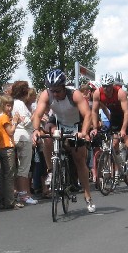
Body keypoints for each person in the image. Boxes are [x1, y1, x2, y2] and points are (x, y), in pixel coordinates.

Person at [32, 68, 96, 213]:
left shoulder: (74, 94)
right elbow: (37, 115)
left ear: (64, 87)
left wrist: (84, 132)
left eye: (58, 91)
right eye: (52, 91)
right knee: (47, 135)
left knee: (80, 161)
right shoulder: (46, 94)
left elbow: (87, 115)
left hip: (75, 124)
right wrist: (36, 130)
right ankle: (51, 171)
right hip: (58, 122)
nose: (55, 94)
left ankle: (87, 195)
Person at [92, 74, 128, 169]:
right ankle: (117, 168)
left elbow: (127, 112)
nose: (106, 89)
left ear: (112, 85)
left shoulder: (120, 93)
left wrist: (123, 130)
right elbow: (94, 111)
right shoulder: (97, 93)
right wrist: (95, 128)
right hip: (114, 116)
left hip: (125, 116)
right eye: (104, 86)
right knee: (114, 144)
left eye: (108, 86)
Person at [10, 80, 36, 204]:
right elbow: (26, 122)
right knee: (24, 167)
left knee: (16, 166)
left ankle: (18, 192)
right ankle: (23, 194)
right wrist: (35, 115)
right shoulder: (20, 104)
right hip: (24, 136)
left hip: (15, 136)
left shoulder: (12, 103)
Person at [0, 95, 22, 209]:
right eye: (7, 105)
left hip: (1, 147)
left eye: (11, 105)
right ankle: (10, 201)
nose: (10, 108)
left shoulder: (0, 116)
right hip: (7, 146)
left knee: (2, 174)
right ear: (3, 105)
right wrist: (15, 122)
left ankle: (3, 200)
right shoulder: (4, 117)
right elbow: (10, 132)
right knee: (9, 175)